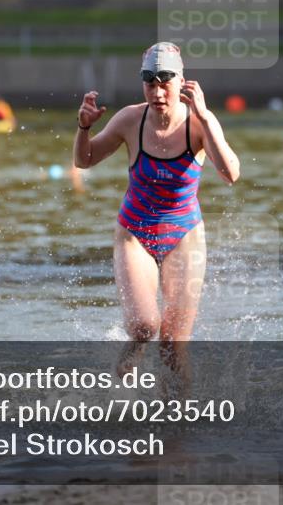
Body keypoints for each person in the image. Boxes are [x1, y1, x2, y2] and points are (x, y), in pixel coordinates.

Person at [73, 43, 240, 381]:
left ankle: (177, 413)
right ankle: (120, 393)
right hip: (134, 234)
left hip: (184, 235)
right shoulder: (130, 119)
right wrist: (84, 128)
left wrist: (206, 119)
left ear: (182, 82)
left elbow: (230, 174)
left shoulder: (199, 123)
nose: (158, 92)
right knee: (143, 326)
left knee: (173, 347)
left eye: (165, 83)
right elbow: (84, 160)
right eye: (150, 83)